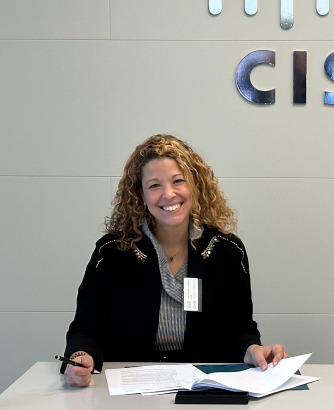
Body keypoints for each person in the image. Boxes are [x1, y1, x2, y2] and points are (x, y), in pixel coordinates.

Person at [62, 134, 286, 387]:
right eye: (154, 185)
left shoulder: (227, 251)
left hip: (203, 386)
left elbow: (240, 329)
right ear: (140, 194)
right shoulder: (112, 252)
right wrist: (80, 356)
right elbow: (86, 327)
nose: (168, 194)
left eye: (178, 181)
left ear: (195, 185)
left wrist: (253, 350)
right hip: (127, 386)